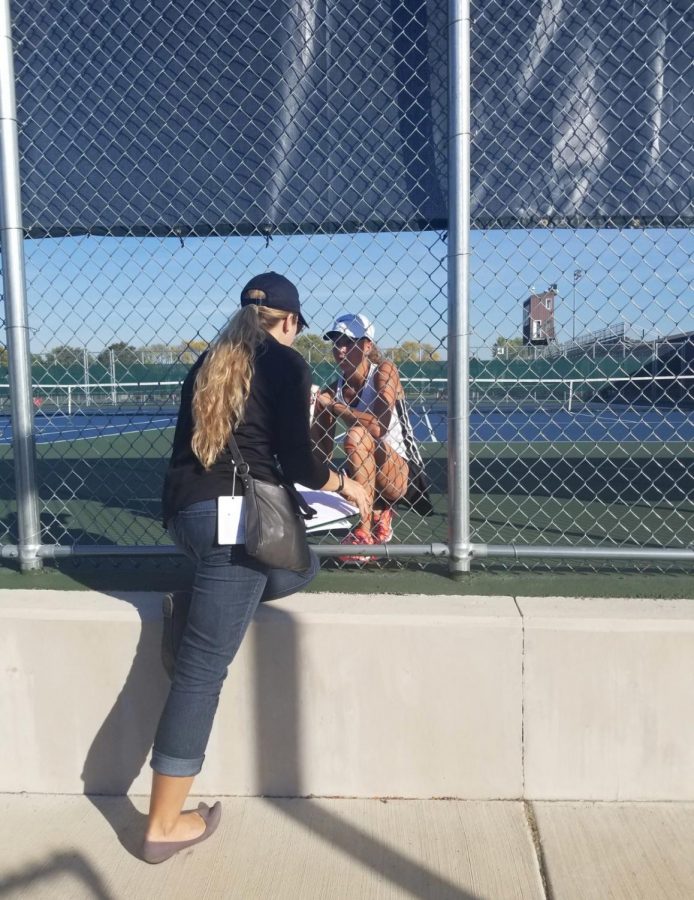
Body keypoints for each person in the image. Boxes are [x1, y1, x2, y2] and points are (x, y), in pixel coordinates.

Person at [144, 273, 369, 864]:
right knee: (201, 672)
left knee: (299, 569)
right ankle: (164, 823)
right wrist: (345, 484)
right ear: (290, 321)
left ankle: (198, 607)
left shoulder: (209, 362)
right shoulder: (286, 365)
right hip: (238, 528)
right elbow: (297, 462)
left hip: (187, 519)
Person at [311, 313, 411, 563]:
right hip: (359, 472)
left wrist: (335, 407)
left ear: (367, 346)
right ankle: (377, 513)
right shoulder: (332, 390)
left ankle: (364, 532)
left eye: (348, 342)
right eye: (336, 343)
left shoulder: (385, 372)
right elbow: (320, 455)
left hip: (398, 474)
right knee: (326, 472)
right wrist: (313, 412)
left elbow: (379, 427)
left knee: (357, 435)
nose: (340, 350)